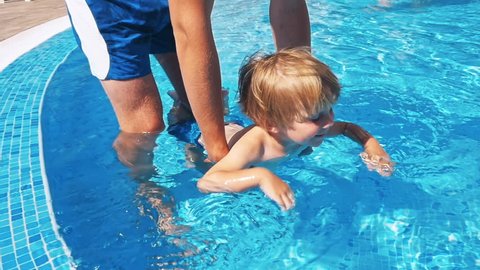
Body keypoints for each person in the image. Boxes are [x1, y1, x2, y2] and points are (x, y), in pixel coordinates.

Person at [65, 0, 311, 164]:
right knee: (144, 128)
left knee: (201, 106)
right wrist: (218, 151)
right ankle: (146, 193)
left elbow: (289, 5)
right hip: (110, 9)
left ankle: (183, 118)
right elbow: (189, 34)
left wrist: (302, 105)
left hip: (167, 4)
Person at [196, 47, 395, 211]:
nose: (328, 122)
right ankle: (184, 109)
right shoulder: (256, 145)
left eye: (330, 110)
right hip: (199, 142)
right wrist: (260, 177)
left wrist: (371, 145)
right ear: (272, 123)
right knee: (189, 135)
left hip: (239, 128)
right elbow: (206, 182)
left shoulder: (312, 127)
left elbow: (346, 128)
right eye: (315, 116)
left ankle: (222, 106)